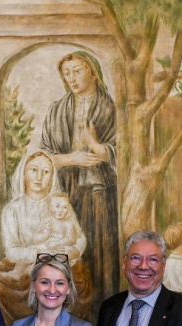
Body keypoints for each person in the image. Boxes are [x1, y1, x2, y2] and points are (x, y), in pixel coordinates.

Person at [41, 50, 120, 308]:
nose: (71, 78)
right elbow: (44, 157)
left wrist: (96, 147)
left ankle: (101, 309)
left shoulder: (111, 109)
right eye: (67, 73)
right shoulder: (56, 111)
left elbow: (126, 153)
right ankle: (69, 308)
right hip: (66, 191)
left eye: (77, 71)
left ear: (92, 72)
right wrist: (71, 158)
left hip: (100, 192)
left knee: (98, 250)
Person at [0, 152, 92, 325]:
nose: (39, 177)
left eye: (46, 172)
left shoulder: (60, 204)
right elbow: (12, 251)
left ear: (52, 176)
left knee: (79, 279)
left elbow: (79, 238)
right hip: (25, 266)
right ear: (23, 173)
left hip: (60, 262)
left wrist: (74, 250)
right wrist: (40, 252)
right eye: (33, 170)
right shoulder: (13, 209)